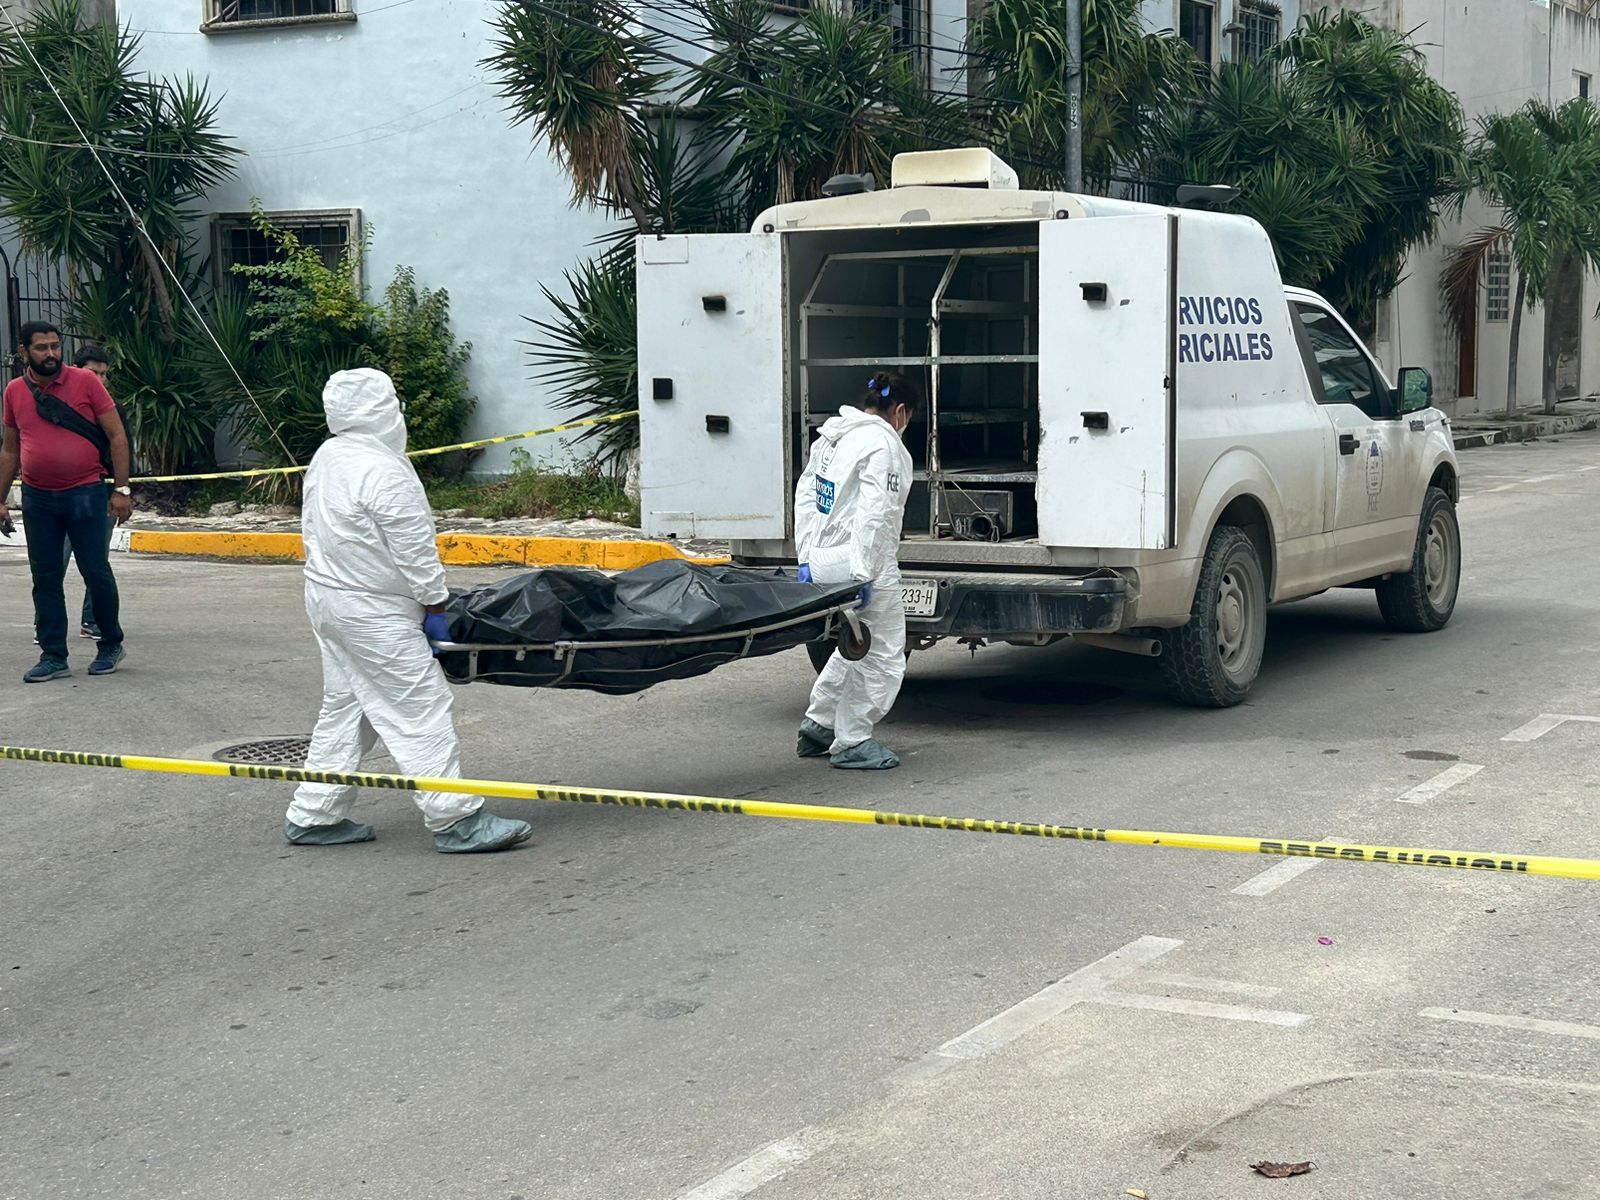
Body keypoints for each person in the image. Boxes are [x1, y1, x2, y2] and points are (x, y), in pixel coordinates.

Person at [283, 368, 533, 853]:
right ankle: (455, 819)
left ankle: (315, 813)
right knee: (419, 706)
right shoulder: (385, 470)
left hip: (328, 598)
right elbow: (414, 550)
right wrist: (435, 602)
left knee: (350, 705)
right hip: (373, 611)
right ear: (382, 411)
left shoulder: (329, 454)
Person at [793, 371, 920, 770]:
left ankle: (819, 724)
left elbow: (807, 496)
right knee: (883, 653)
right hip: (862, 562)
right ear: (900, 411)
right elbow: (876, 514)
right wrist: (864, 573)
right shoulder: (884, 445)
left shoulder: (831, 437)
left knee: (853, 645)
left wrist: (805, 558)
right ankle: (852, 740)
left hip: (822, 559)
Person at [0, 323, 131, 681]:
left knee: (95, 571)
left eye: (55, 346)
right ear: (24, 351)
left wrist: (122, 490)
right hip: (38, 498)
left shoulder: (85, 382)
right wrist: (1, 499)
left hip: (85, 493)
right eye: (41, 348)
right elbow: (10, 448)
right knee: (45, 577)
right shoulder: (15, 391)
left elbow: (117, 435)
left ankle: (110, 644)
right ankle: (53, 655)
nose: (51, 354)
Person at [35, 344, 116, 643]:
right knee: (52, 563)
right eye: (93, 373)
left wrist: (121, 490)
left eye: (104, 374)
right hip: (56, 495)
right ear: (76, 370)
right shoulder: (55, 403)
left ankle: (93, 620)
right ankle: (46, 625)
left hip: (99, 493)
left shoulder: (110, 407)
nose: (99, 380)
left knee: (96, 564)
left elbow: (120, 444)